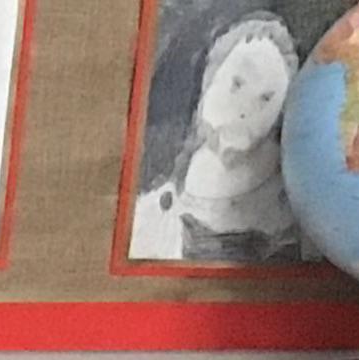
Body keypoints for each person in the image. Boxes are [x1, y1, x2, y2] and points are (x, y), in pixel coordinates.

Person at [129, 11, 303, 263]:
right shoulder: (156, 205)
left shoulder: (287, 219)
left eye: (266, 98)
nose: (244, 110)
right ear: (209, 79)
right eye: (237, 84)